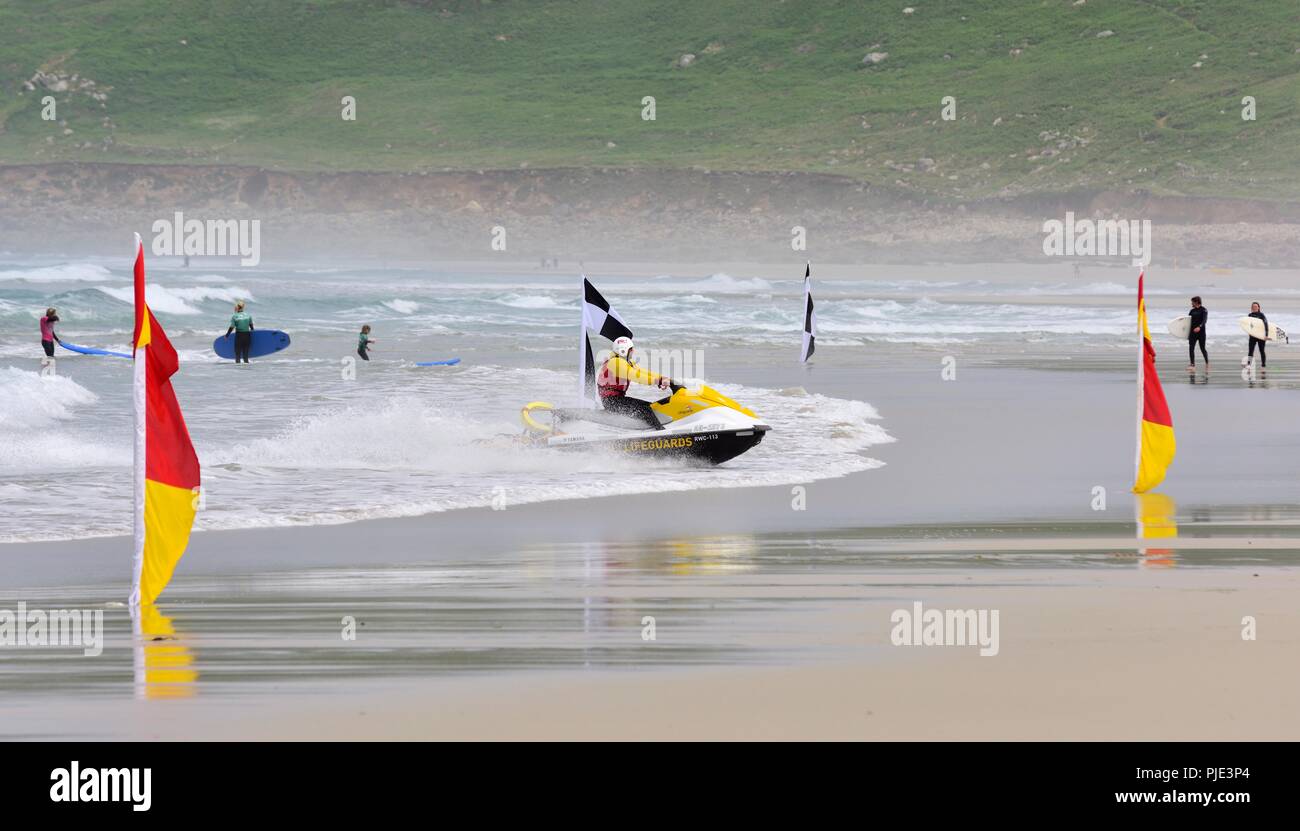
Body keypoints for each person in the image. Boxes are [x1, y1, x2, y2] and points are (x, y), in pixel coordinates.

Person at [597, 336, 675, 430]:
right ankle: (660, 432)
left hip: (619, 399)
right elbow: (635, 376)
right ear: (623, 350)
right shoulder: (615, 363)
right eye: (631, 349)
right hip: (611, 402)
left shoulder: (626, 362)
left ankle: (652, 428)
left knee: (651, 406)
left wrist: (661, 378)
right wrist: (658, 381)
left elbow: (643, 372)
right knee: (644, 409)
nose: (633, 351)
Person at [1187, 296, 1208, 371]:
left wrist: (1199, 327)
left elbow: (1204, 320)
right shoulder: (1191, 311)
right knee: (1191, 348)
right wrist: (1185, 332)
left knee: (1202, 348)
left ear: (1196, 302)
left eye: (1192, 302)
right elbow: (1187, 322)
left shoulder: (1204, 310)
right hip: (1192, 333)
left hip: (1201, 333)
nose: (1191, 303)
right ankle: (1192, 364)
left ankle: (1207, 363)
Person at [1246, 302, 1268, 369]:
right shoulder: (1249, 315)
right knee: (1250, 351)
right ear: (1251, 308)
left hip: (1261, 335)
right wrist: (1249, 331)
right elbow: (1248, 325)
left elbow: (1265, 324)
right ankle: (1249, 365)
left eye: (1256, 306)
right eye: (1253, 306)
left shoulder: (1262, 315)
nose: (1254, 307)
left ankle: (1263, 365)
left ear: (1258, 307)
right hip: (1253, 336)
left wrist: (1266, 335)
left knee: (1261, 350)